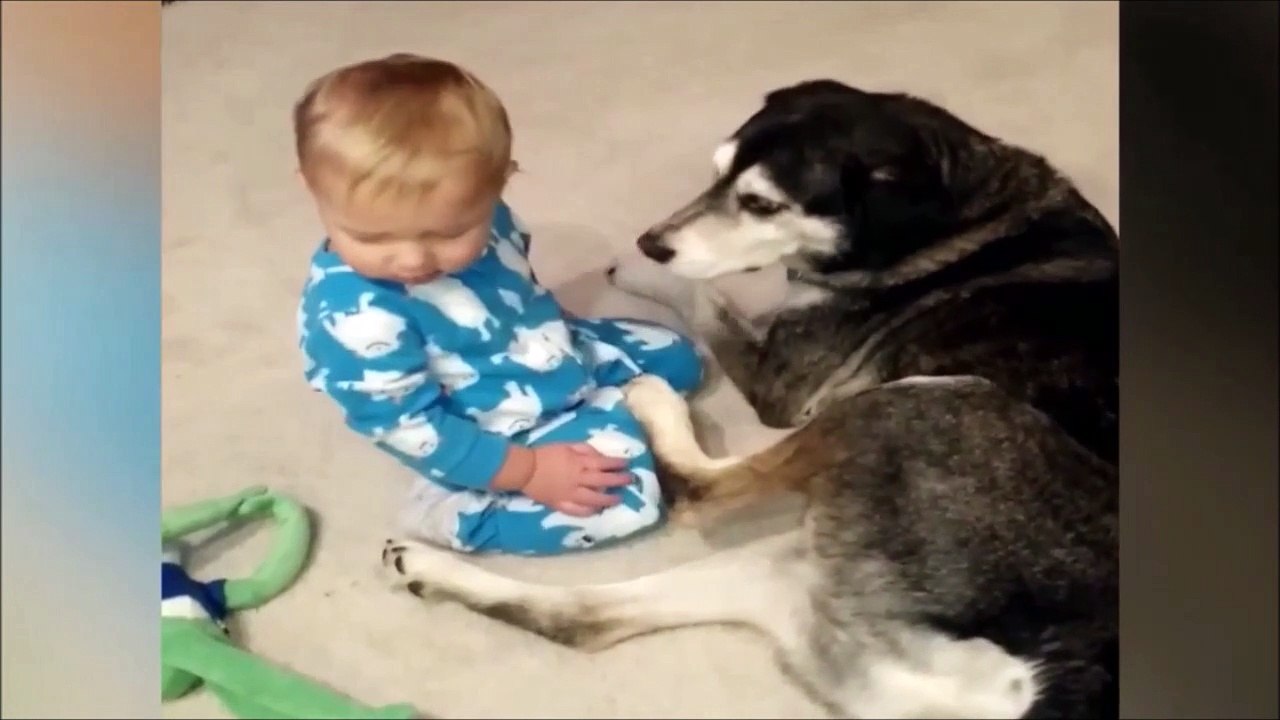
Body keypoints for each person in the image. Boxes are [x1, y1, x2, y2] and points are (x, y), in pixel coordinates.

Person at [292, 53, 703, 556]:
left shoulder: (493, 219)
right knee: (628, 503)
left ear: (498, 186)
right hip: (490, 427)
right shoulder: (353, 321)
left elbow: (515, 285)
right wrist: (526, 471)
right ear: (312, 191)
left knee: (682, 360)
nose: (413, 258)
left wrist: (554, 327)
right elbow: (408, 426)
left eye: (449, 232)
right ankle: (456, 513)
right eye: (371, 236)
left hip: (542, 351)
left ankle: (596, 404)